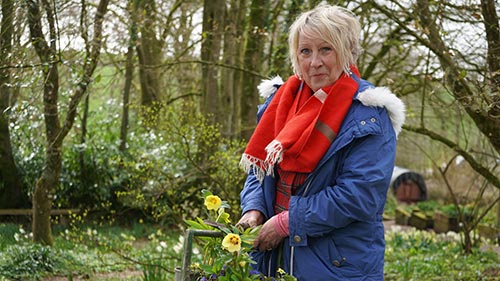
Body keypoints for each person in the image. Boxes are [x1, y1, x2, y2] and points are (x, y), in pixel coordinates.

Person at [237, 4, 406, 281]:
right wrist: (254, 209)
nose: (314, 62)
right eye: (305, 51)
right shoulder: (280, 103)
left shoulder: (369, 115)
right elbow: (260, 171)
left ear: (347, 51)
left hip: (334, 265)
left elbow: (358, 196)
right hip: (271, 258)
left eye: (326, 49)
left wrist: (285, 223)